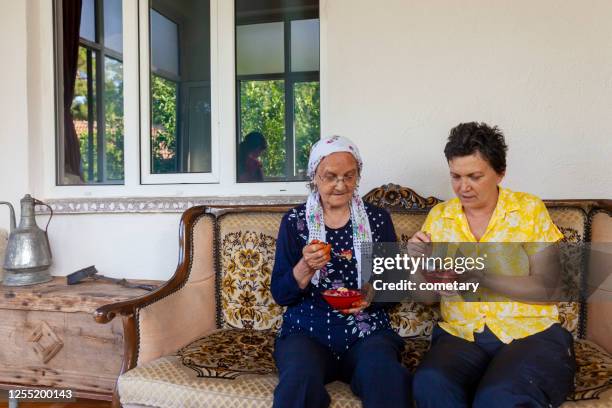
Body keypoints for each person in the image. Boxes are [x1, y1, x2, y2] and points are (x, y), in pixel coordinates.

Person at [410, 122, 575, 408]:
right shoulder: (439, 217)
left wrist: (479, 277)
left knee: (498, 397)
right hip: (461, 334)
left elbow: (549, 288)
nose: (463, 187)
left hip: (530, 334)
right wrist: (417, 261)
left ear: (500, 173)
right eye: (456, 176)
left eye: (474, 176)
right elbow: (426, 298)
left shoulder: (528, 210)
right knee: (430, 382)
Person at [271, 135, 411, 408]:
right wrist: (305, 266)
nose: (340, 185)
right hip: (306, 331)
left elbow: (394, 289)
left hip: (367, 331)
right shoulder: (296, 222)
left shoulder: (376, 219)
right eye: (330, 176)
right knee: (297, 384)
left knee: (387, 378)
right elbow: (281, 293)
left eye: (349, 176)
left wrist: (369, 295)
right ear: (314, 176)